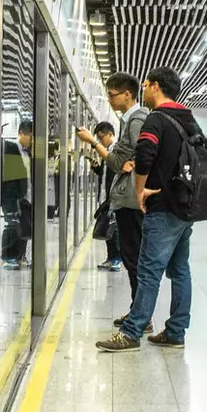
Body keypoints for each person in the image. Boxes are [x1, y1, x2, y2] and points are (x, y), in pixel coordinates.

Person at [97, 67, 203, 352]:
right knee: (180, 270)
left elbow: (145, 154)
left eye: (145, 85)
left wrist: (139, 189)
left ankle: (132, 333)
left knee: (148, 270)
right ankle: (176, 332)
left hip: (163, 205)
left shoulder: (156, 118)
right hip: (185, 207)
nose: (144, 90)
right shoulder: (189, 118)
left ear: (155, 87)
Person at [77, 74, 146, 331]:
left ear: (128, 94)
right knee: (131, 258)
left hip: (132, 200)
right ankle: (137, 311)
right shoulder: (130, 120)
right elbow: (121, 160)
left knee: (135, 258)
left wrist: (93, 143)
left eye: (113, 94)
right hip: (126, 199)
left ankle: (141, 316)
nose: (110, 98)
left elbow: (119, 161)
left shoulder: (136, 121)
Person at [85, 122, 122, 270]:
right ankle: (111, 257)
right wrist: (97, 168)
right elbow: (106, 174)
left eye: (101, 138)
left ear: (110, 134)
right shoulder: (107, 152)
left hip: (114, 198)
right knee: (109, 229)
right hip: (106, 197)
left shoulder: (117, 152)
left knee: (115, 230)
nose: (100, 141)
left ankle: (117, 259)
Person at [0, 119, 34, 269]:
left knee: (25, 226)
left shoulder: (28, 152)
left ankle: (20, 255)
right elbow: (11, 177)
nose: (32, 140)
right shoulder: (10, 147)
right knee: (12, 225)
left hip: (26, 196)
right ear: (21, 133)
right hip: (11, 195)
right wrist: (13, 198)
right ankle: (8, 256)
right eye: (31, 136)